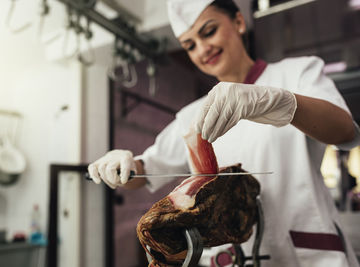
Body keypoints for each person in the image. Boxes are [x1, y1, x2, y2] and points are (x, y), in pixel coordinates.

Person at [88, 0, 360, 266]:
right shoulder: (190, 116)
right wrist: (122, 165)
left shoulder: (296, 72)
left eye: (209, 32)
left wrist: (283, 102)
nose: (203, 49)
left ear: (239, 21)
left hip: (303, 254)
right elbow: (145, 169)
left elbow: (345, 131)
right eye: (190, 45)